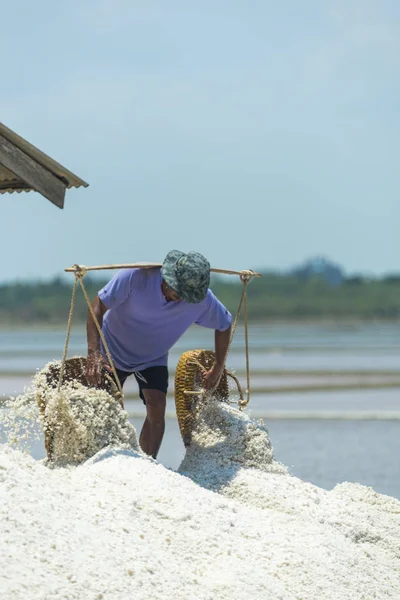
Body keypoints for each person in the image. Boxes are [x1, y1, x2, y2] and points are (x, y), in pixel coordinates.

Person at [86, 250, 232, 459]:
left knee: (157, 406)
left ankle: (148, 463)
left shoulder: (201, 300)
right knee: (103, 407)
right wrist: (93, 353)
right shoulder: (135, 277)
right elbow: (97, 306)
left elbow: (225, 324)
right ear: (168, 278)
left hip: (152, 357)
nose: (182, 299)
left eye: (188, 296)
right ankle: (102, 459)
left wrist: (218, 367)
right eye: (179, 292)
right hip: (111, 348)